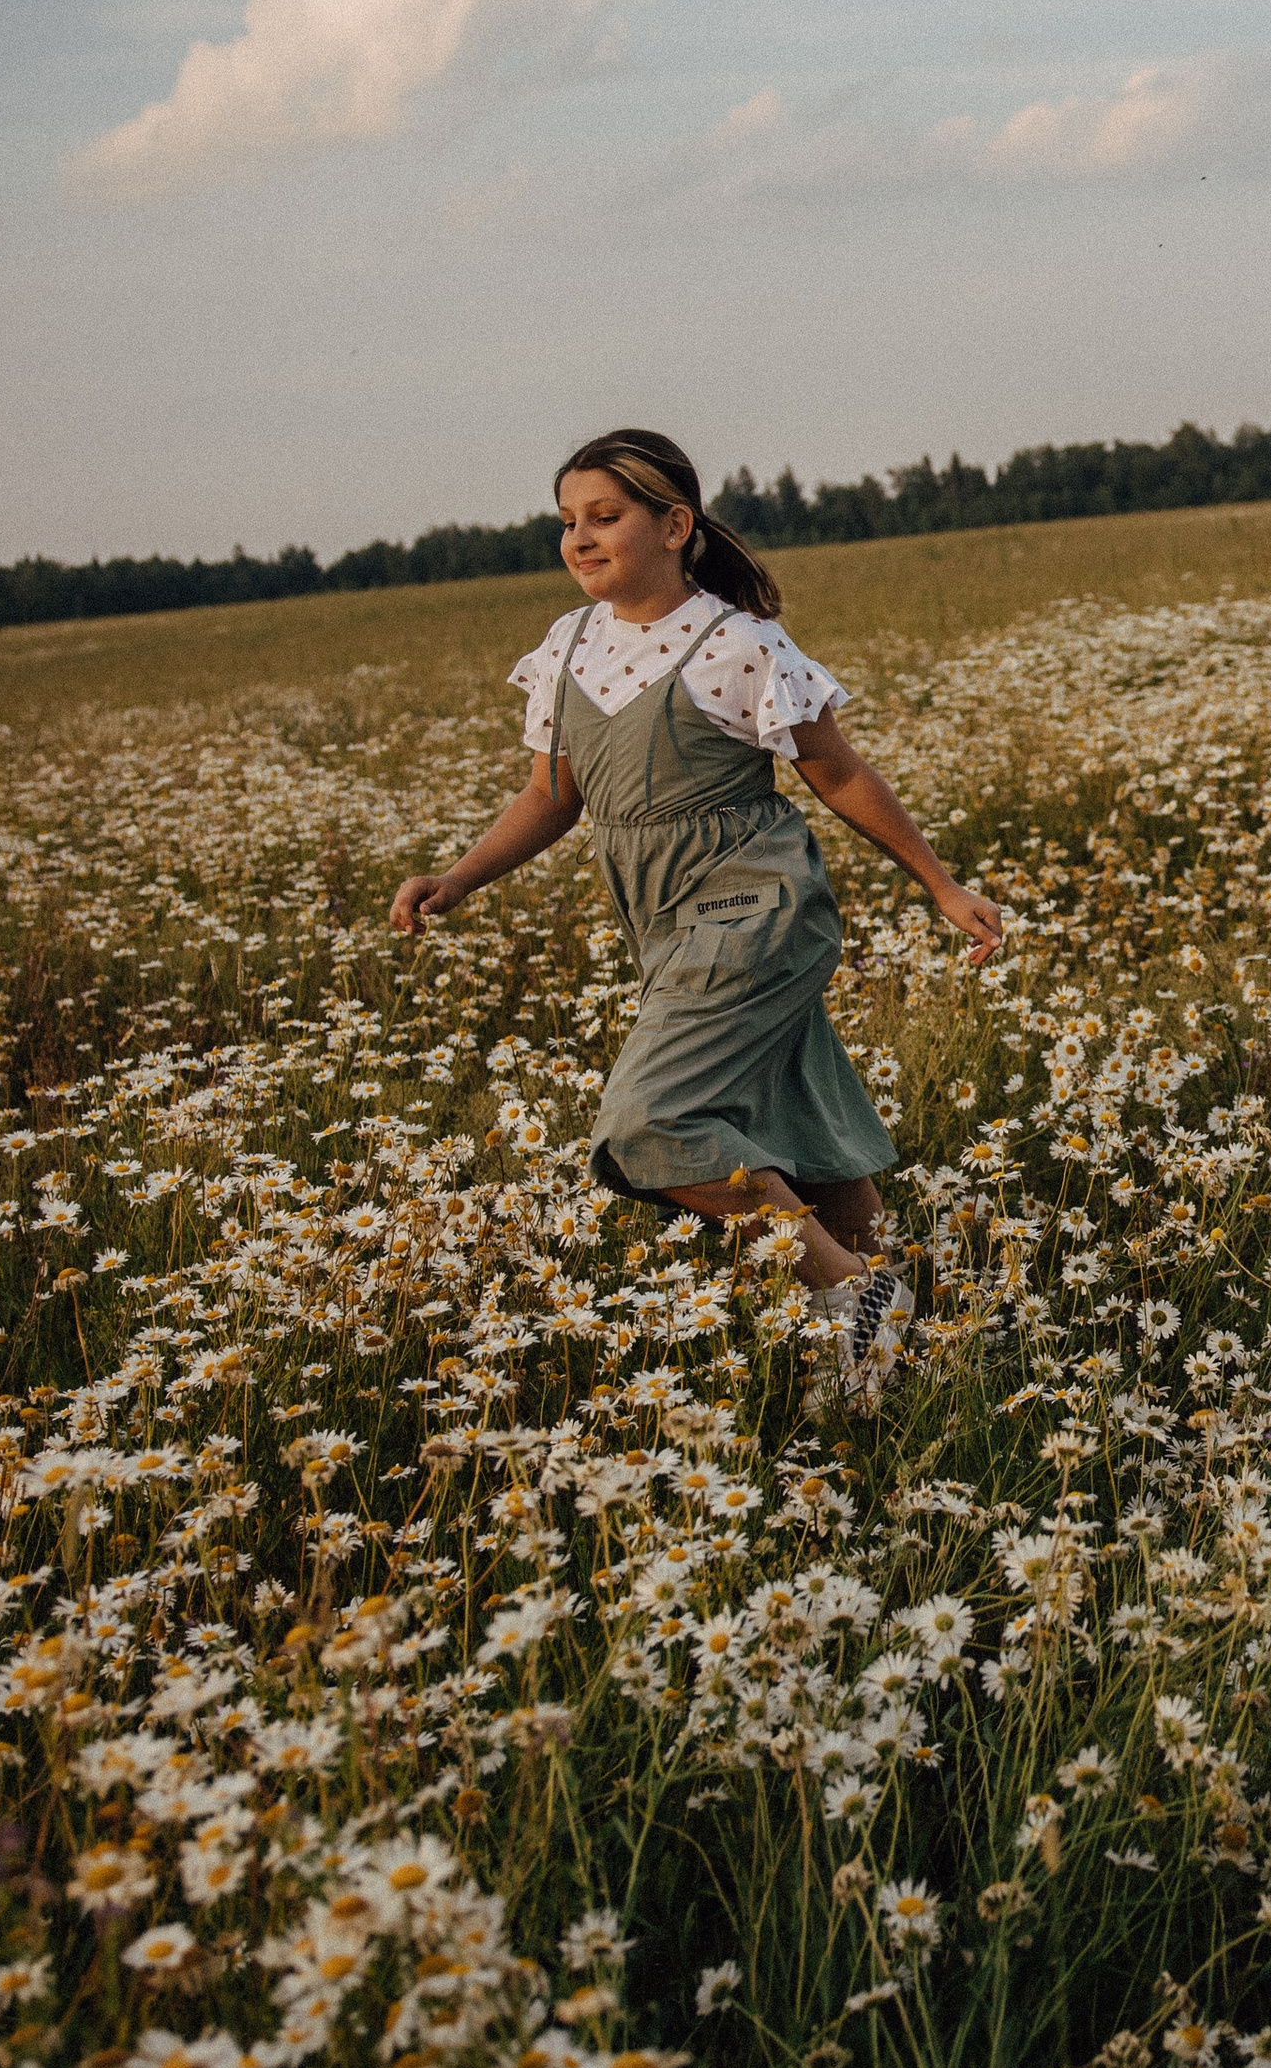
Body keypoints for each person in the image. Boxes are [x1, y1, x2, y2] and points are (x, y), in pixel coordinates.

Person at [387, 426, 1003, 1399]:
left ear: (674, 526)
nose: (581, 539)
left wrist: (939, 883)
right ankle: (932, 1353)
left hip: (760, 906)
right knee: (800, 1112)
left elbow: (835, 772)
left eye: (606, 517)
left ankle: (861, 1299)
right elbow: (552, 796)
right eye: (567, 523)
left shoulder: (739, 645)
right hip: (669, 923)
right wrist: (455, 879)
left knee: (650, 1124)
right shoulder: (567, 648)